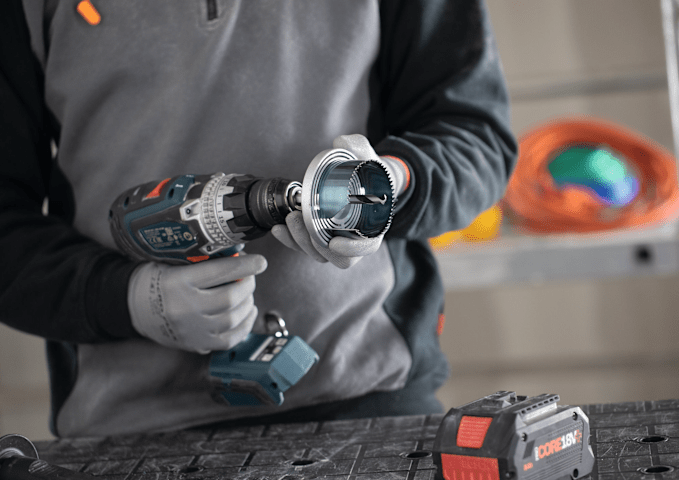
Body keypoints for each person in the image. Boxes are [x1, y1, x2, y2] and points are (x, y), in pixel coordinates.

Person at [0, 0, 517, 437]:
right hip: (127, 422)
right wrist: (132, 299)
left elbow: (476, 139)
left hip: (368, 391)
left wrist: (389, 185)